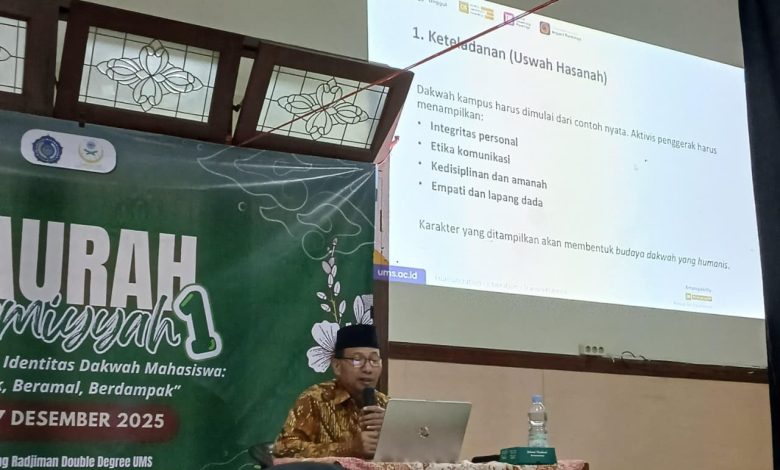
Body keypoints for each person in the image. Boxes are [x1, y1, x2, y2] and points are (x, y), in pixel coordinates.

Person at [273, 324, 387, 459]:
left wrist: (390, 428)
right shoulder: (314, 399)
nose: (368, 369)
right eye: (357, 360)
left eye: (374, 360)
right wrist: (348, 448)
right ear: (337, 366)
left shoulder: (387, 405)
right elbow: (284, 448)